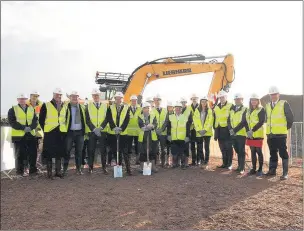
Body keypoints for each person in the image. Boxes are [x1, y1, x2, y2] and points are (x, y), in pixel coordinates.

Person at [265, 86, 294, 180]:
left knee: (283, 153)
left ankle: (285, 173)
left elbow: (290, 118)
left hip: (280, 134)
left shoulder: (284, 103)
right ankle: (272, 171)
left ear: (278, 94)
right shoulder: (268, 105)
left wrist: (285, 129)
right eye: (271, 94)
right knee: (272, 153)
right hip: (270, 134)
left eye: (275, 94)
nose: (273, 96)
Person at [8, 93, 38, 177]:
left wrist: (31, 127)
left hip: (30, 134)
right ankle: (19, 172)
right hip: (19, 135)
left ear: (26, 99)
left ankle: (33, 171)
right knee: (19, 154)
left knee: (33, 153)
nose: (22, 100)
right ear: (17, 100)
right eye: (20, 99)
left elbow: (35, 120)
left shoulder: (31, 109)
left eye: (24, 99)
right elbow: (12, 122)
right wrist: (23, 128)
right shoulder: (13, 109)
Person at [39, 88, 65, 179]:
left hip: (60, 132)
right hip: (49, 132)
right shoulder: (46, 105)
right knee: (49, 153)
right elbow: (41, 119)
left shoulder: (63, 105)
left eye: (60, 94)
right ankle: (49, 173)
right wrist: (46, 129)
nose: (59, 96)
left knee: (59, 152)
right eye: (57, 94)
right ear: (53, 94)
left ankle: (58, 172)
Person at [59, 91, 87, 175]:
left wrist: (85, 132)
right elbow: (61, 119)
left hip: (80, 133)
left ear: (78, 97)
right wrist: (64, 131)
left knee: (79, 152)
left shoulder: (82, 107)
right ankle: (64, 169)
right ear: (70, 98)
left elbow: (85, 120)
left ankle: (78, 169)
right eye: (73, 96)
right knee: (67, 151)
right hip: (70, 133)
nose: (74, 98)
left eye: (76, 96)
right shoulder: (66, 107)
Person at [105, 92, 132, 175]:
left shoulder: (127, 107)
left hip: (123, 133)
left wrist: (121, 128)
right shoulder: (110, 107)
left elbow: (127, 119)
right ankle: (119, 167)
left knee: (125, 152)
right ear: (115, 99)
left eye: (120, 98)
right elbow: (109, 118)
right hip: (113, 133)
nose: (118, 100)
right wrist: (114, 127)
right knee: (116, 151)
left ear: (122, 99)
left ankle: (128, 170)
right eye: (117, 98)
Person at [161, 102, 191, 169]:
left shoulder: (185, 117)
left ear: (181, 109)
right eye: (176, 108)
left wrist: (187, 136)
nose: (178, 110)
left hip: (183, 138)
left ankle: (183, 164)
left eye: (179, 108)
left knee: (183, 152)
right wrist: (168, 135)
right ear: (174, 109)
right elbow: (168, 127)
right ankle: (175, 164)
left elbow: (188, 128)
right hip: (174, 137)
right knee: (174, 152)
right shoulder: (171, 117)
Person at [85, 89, 108, 174]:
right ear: (92, 96)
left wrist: (101, 127)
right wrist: (94, 129)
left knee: (103, 150)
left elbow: (107, 118)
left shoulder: (105, 106)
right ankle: (90, 168)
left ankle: (104, 168)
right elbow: (87, 119)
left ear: (99, 96)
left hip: (102, 131)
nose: (96, 97)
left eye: (97, 95)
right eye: (94, 95)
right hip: (92, 132)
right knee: (91, 150)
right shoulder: (88, 106)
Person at [246, 93, 266, 177]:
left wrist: (252, 130)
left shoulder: (261, 109)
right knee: (252, 151)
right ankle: (253, 168)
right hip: (250, 135)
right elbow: (246, 122)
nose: (253, 101)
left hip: (258, 134)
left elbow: (261, 121)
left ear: (258, 101)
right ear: (250, 101)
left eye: (255, 100)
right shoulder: (248, 110)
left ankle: (260, 169)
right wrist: (248, 131)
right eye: (252, 100)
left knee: (259, 151)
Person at [213, 90, 234, 170]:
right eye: (220, 97)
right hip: (219, 130)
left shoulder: (231, 105)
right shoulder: (216, 107)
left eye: (223, 97)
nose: (221, 98)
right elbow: (215, 118)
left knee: (228, 148)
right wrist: (215, 129)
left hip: (227, 130)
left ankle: (229, 164)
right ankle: (224, 163)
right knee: (222, 148)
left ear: (226, 97)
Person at [228, 93, 248, 175]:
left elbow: (244, 122)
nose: (237, 101)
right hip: (233, 134)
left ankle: (242, 168)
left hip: (241, 134)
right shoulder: (232, 109)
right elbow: (228, 120)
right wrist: (230, 129)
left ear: (242, 100)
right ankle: (239, 166)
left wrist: (234, 130)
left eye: (239, 99)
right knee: (237, 150)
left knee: (241, 150)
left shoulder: (245, 109)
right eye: (236, 99)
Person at [193, 96, 214, 167]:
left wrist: (205, 130)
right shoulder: (197, 110)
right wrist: (199, 130)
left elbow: (210, 121)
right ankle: (202, 159)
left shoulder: (209, 110)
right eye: (202, 101)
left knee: (206, 147)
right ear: (200, 102)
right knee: (200, 147)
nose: (203, 103)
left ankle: (206, 160)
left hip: (207, 132)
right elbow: (195, 121)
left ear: (206, 102)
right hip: (199, 132)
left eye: (205, 101)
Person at [138, 102, 158, 173]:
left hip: (152, 136)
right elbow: (140, 123)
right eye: (146, 108)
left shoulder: (153, 115)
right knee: (143, 152)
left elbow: (155, 123)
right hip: (143, 137)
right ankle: (141, 167)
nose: (147, 109)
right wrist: (145, 126)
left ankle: (153, 167)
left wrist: (152, 126)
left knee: (152, 152)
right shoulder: (140, 116)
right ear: (143, 109)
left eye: (148, 108)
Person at [26, 90, 44, 169]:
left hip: (38, 132)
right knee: (27, 150)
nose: (35, 97)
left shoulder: (41, 105)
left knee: (38, 150)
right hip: (28, 131)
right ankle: (26, 167)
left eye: (36, 96)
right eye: (33, 96)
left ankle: (34, 166)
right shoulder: (25, 105)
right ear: (30, 96)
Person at [153, 94, 168, 168]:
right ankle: (156, 162)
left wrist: (161, 129)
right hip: (155, 133)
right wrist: (156, 129)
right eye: (156, 100)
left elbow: (166, 121)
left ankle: (163, 162)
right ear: (154, 101)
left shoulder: (165, 110)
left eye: (158, 100)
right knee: (155, 148)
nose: (157, 101)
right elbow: (151, 121)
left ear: (160, 101)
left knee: (163, 148)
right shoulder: (151, 110)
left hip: (163, 132)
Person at [127, 95, 141, 164]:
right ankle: (128, 160)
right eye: (132, 100)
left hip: (137, 131)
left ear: (136, 101)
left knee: (137, 146)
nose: (134, 102)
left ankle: (137, 160)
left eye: (135, 100)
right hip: (129, 131)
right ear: (130, 101)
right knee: (128, 146)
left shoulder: (140, 109)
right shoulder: (126, 108)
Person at [180, 97, 192, 167]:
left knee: (186, 147)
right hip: (180, 132)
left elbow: (190, 121)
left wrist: (185, 124)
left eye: (184, 102)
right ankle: (182, 162)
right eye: (182, 102)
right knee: (181, 147)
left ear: (186, 103)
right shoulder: (178, 110)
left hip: (187, 131)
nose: (183, 104)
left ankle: (186, 162)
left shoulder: (188, 110)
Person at [189, 93, 199, 166]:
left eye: (195, 98)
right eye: (193, 98)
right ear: (191, 99)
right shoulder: (189, 107)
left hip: (198, 128)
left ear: (197, 99)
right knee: (192, 146)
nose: (194, 99)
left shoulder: (200, 106)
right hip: (192, 129)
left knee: (199, 145)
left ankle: (199, 160)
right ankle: (193, 161)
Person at [165, 101, 174, 166]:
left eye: (171, 107)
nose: (170, 108)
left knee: (173, 148)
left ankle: (172, 162)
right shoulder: (166, 114)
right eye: (168, 107)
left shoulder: (175, 114)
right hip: (167, 133)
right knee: (167, 148)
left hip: (174, 134)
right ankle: (167, 161)